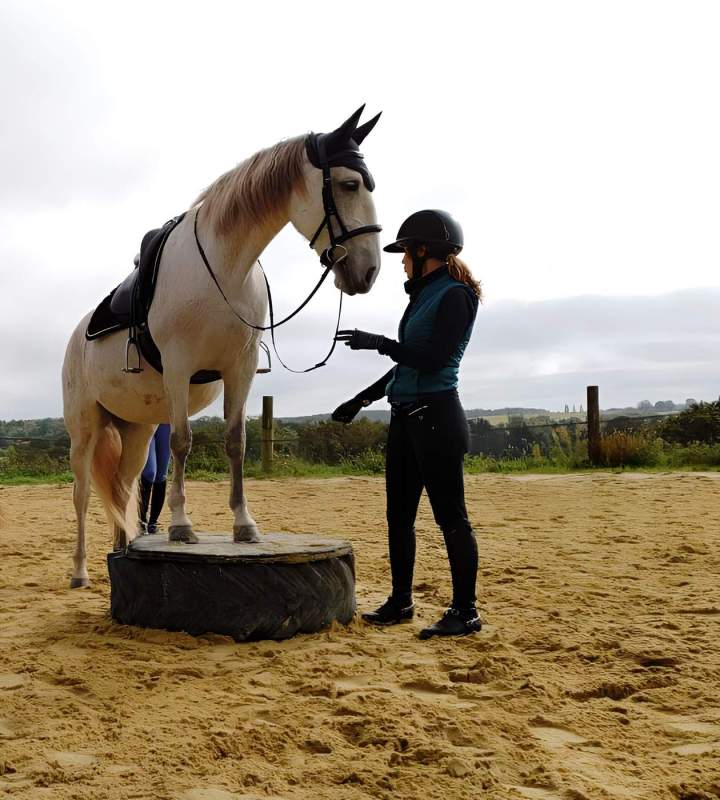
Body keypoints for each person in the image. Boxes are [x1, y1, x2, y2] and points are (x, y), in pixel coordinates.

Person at [333, 209, 482, 639]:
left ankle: (465, 611)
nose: (400, 261)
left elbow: (433, 359)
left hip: (437, 419)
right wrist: (361, 399)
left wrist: (379, 343)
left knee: (451, 518)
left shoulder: (456, 296)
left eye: (404, 253)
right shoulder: (422, 296)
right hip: (405, 419)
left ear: (423, 251)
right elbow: (405, 365)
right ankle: (401, 601)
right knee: (398, 517)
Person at [139, 423, 171, 534]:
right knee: (149, 472)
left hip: (166, 423)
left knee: (161, 475)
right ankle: (141, 520)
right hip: (148, 419)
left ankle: (153, 522)